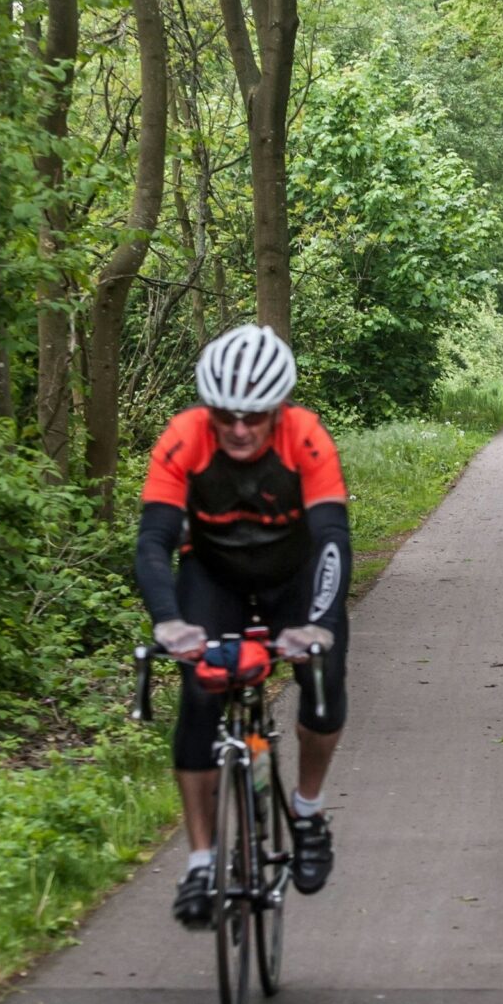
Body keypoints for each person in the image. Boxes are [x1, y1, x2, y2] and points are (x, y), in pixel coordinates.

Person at [135, 324, 351, 928]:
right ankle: (201, 861)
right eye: (225, 413)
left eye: (253, 416)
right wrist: (170, 623)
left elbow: (333, 540)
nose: (238, 427)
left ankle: (307, 813)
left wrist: (317, 626)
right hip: (216, 577)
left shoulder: (306, 439)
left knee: (324, 677)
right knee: (199, 700)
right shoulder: (184, 439)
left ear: (277, 410)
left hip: (295, 573)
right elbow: (153, 542)